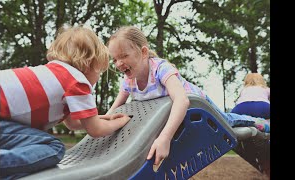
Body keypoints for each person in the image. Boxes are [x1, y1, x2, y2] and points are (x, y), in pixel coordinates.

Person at [106, 26, 269, 167]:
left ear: (143, 52)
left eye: (124, 56)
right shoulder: (129, 80)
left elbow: (182, 100)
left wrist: (165, 138)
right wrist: (101, 124)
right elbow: (114, 109)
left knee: (227, 121)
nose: (119, 63)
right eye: (114, 59)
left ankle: (259, 122)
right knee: (227, 121)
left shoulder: (160, 69)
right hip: (181, 115)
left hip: (198, 104)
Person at [0, 25, 131, 180]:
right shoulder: (77, 81)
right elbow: (95, 130)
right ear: (90, 64)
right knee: (53, 146)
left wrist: (104, 118)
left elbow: (74, 123)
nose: (98, 77)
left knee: (26, 161)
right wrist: (122, 122)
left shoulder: (55, 75)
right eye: (100, 72)